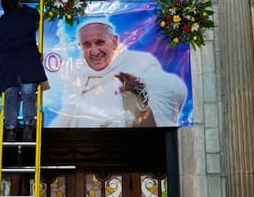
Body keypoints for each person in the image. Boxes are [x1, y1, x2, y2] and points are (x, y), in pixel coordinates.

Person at [50, 19, 187, 127]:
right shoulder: (78, 75)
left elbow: (175, 87)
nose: (95, 51)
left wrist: (142, 88)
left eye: (100, 42)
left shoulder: (137, 62)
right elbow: (66, 115)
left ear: (114, 41)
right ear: (80, 47)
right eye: (87, 45)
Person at [0, 0, 47, 140]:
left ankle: (10, 128)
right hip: (27, 63)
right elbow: (35, 14)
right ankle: (28, 125)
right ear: (17, 4)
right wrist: (23, 7)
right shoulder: (27, 18)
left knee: (10, 96)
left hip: (8, 66)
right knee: (29, 94)